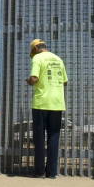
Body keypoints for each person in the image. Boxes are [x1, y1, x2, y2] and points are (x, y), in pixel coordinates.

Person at [27, 39, 67, 179]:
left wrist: (29, 81)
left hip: (41, 102)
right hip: (57, 103)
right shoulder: (58, 59)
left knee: (39, 138)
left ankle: (39, 171)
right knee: (54, 137)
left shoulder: (38, 58)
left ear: (36, 48)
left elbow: (34, 78)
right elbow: (65, 82)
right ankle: (52, 172)